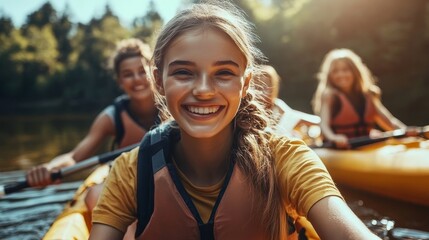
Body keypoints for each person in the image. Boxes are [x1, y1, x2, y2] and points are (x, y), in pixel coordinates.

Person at [90, 2, 380, 240]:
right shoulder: (130, 172)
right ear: (159, 81)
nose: (203, 90)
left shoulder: (287, 158)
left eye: (224, 73)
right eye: (183, 72)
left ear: (245, 83)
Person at [26, 38, 159, 210]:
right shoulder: (111, 118)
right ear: (119, 81)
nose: (137, 79)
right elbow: (75, 157)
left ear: (154, 73)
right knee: (94, 195)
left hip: (166, 181)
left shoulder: (173, 108)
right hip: (126, 182)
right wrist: (50, 168)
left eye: (142, 71)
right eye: (128, 74)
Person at [312, 48, 408, 149]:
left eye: (345, 70)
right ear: (330, 76)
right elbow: (323, 125)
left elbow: (390, 123)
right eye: (335, 71)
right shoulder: (330, 96)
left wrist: (406, 130)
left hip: (365, 147)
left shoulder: (369, 95)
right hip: (339, 149)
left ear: (355, 72)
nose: (341, 75)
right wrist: (334, 138)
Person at [255, 64, 321, 141]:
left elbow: (296, 116)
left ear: (274, 88)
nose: (261, 92)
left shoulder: (278, 106)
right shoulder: (249, 108)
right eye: (257, 87)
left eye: (266, 87)